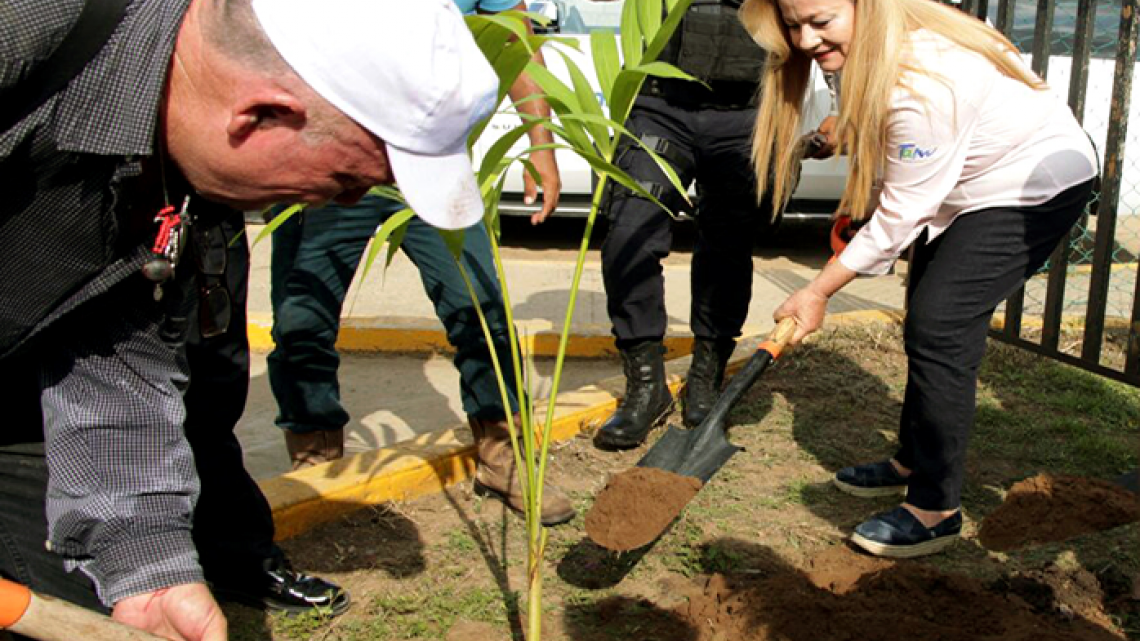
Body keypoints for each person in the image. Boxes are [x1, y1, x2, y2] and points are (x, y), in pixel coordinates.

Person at [0, 0, 501, 638]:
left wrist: (148, 565)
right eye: (347, 179)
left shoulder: (176, 163)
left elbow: (112, 351)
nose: (344, 203)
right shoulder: (20, 34)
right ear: (262, 113)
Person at [742, 0, 1098, 557]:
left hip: (1030, 183)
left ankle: (934, 508)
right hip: (968, 183)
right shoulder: (871, 46)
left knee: (940, 325)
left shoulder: (923, 79)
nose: (805, 39)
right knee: (928, 322)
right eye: (793, 23)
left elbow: (900, 213)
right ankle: (912, 457)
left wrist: (817, 291)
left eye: (820, 21)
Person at [267, 0, 575, 527]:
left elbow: (515, 42)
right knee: (301, 320)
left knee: (478, 307)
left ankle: (503, 459)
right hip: (324, 157)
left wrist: (540, 147)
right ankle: (315, 461)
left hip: (428, 162)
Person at [592, 0, 776, 450]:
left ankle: (706, 373)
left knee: (727, 247)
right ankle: (646, 387)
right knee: (627, 233)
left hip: (747, 107)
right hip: (660, 102)